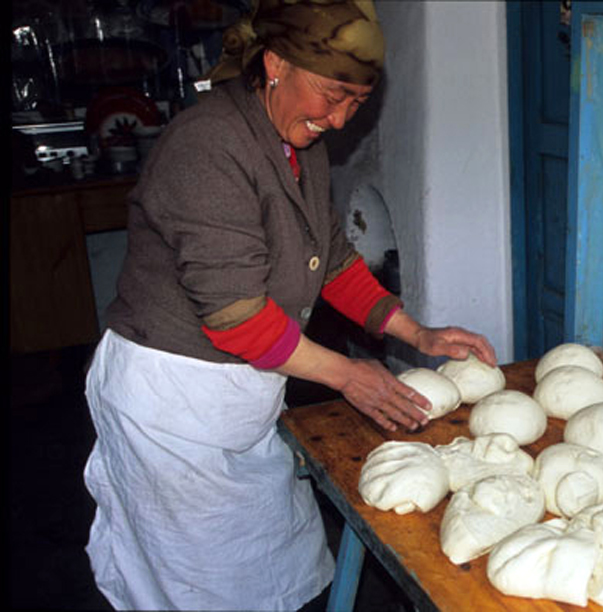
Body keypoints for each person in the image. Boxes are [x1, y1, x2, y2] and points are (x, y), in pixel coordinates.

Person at [82, 1, 497, 610]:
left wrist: (419, 333)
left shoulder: (297, 144)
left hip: (246, 395)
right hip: (173, 406)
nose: (338, 118)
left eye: (356, 102)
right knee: (196, 588)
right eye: (331, 95)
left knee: (270, 564)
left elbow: (329, 259)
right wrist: (349, 374)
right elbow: (235, 314)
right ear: (275, 63)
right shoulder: (208, 147)